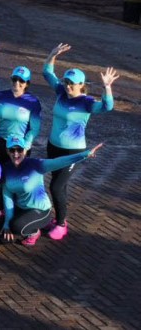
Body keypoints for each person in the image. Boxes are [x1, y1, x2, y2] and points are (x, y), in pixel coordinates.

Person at [40, 44, 118, 240]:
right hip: (54, 146)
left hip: (72, 152)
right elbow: (47, 72)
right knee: (60, 185)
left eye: (71, 83)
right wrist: (52, 54)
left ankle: (61, 224)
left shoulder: (86, 102)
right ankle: (60, 217)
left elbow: (108, 107)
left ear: (81, 84)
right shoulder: (61, 92)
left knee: (56, 187)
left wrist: (107, 87)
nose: (67, 86)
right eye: (66, 82)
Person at [1, 136, 104, 246]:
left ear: (25, 150)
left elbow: (59, 161)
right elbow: (7, 197)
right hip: (21, 208)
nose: (16, 154)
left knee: (16, 227)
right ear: (7, 151)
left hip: (40, 209)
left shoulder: (36, 165)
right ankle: (31, 224)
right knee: (4, 235)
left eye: (19, 150)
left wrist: (84, 154)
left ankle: (34, 233)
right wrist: (6, 223)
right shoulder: (7, 169)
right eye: (12, 150)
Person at [0, 66, 42, 163]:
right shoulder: (0, 96)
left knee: (15, 177)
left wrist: (25, 146)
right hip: (0, 142)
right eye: (14, 79)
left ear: (27, 83)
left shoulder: (33, 102)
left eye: (21, 81)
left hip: (19, 146)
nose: (17, 83)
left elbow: (35, 128)